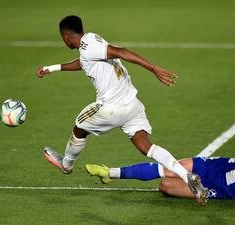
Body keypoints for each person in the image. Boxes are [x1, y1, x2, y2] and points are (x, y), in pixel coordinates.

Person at [36, 15, 208, 204]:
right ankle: (187, 177)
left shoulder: (89, 46)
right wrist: (52, 68)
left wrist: (153, 68)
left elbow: (121, 51)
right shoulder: (91, 41)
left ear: (66, 37)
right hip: (132, 105)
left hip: (111, 107)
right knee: (147, 147)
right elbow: (84, 62)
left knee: (79, 127)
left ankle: (66, 165)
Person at [86, 103, 235, 201]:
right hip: (226, 166)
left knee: (165, 186)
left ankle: (203, 190)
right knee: (175, 167)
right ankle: (110, 173)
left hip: (234, 187)